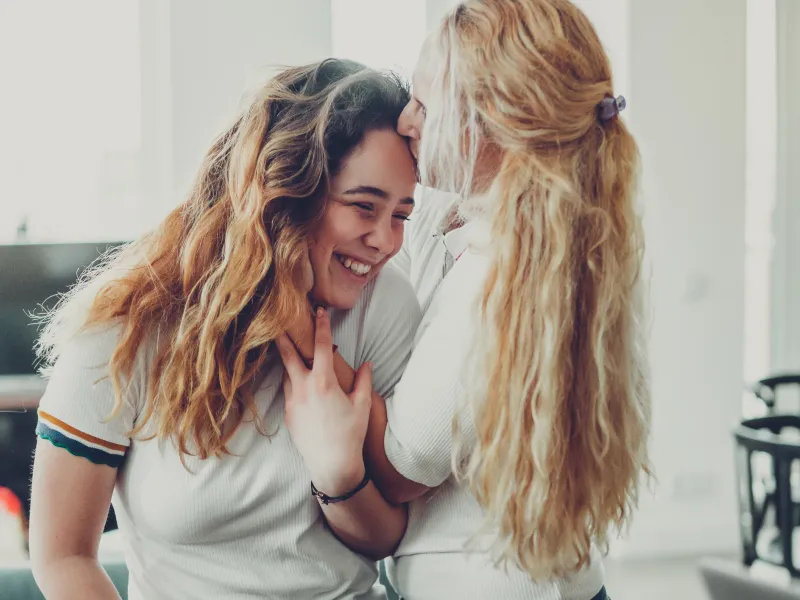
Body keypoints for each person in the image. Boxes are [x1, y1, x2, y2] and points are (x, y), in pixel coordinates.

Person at [278, 1, 651, 599]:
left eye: (425, 105)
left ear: (493, 122)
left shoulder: (501, 275)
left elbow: (401, 470)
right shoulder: (557, 236)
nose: (406, 120)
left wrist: (286, 311)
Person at [28, 59, 423, 600]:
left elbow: (385, 537)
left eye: (401, 214)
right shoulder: (126, 323)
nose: (385, 241)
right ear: (285, 191)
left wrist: (337, 472)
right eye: (363, 207)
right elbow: (63, 555)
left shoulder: (388, 304)